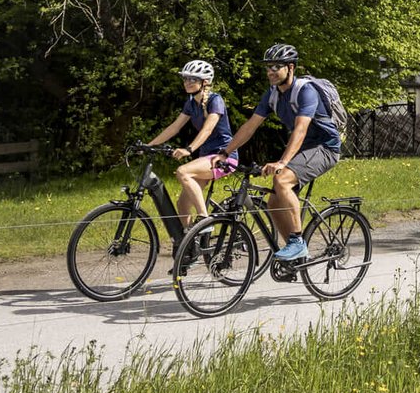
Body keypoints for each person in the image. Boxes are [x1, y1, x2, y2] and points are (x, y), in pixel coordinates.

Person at [221, 43, 342, 262]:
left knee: (283, 180)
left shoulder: (306, 91)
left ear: (291, 68)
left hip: (325, 147)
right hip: (304, 150)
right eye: (268, 67)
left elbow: (301, 128)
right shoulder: (272, 94)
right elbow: (250, 126)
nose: (270, 72)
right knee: (274, 202)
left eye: (276, 66)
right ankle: (294, 257)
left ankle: (297, 243)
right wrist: (225, 153)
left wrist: (282, 162)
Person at [145, 59, 235, 237]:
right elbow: (174, 127)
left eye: (192, 79)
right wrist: (149, 145)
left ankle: (204, 219)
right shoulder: (191, 102)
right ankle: (190, 245)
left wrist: (189, 149)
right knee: (183, 205)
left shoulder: (216, 100)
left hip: (224, 157)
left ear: (205, 82)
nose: (187, 82)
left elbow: (208, 129)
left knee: (183, 171)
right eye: (185, 79)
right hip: (205, 158)